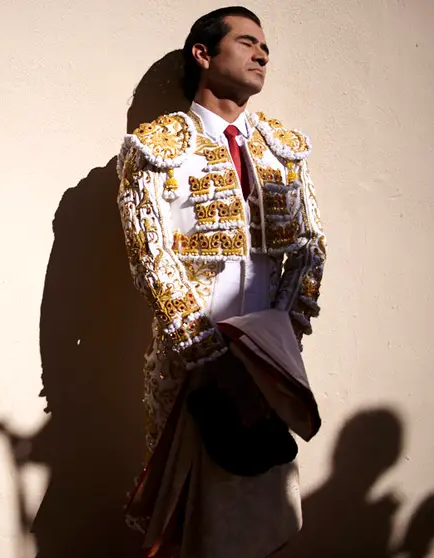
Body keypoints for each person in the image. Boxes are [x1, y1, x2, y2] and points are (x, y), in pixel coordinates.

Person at [116, 6, 326, 557]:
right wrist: (214, 358)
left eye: (266, 48)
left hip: (268, 362)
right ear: (203, 54)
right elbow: (150, 259)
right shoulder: (154, 147)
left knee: (263, 508)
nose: (262, 54)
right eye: (248, 42)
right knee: (186, 522)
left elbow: (309, 249)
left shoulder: (284, 147)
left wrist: (272, 346)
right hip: (191, 366)